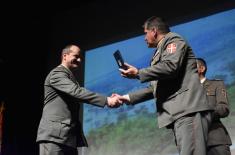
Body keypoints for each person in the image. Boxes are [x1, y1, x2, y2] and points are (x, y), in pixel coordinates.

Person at [116, 16, 214, 155]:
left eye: (145, 33)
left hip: (188, 110)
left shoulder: (173, 39)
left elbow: (170, 66)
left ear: (154, 31)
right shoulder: (159, 51)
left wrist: (138, 72)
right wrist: (127, 97)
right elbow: (154, 88)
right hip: (180, 113)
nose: (144, 38)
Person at [36, 44, 122, 155]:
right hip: (54, 138)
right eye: (76, 56)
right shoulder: (56, 74)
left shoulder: (69, 77)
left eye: (80, 57)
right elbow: (77, 92)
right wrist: (107, 100)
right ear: (65, 56)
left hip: (67, 138)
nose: (79, 59)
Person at [196, 58, 232, 155]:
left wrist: (205, 111)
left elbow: (224, 109)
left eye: (191, 67)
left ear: (201, 69)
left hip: (215, 140)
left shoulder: (216, 84)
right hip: (195, 145)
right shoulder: (186, 93)